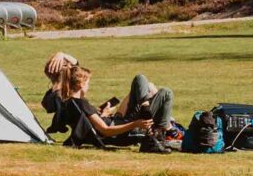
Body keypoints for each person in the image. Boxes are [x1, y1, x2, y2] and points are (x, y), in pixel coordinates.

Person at [43, 53, 173, 149]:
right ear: (81, 85)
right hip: (126, 130)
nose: (89, 86)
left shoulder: (74, 102)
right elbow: (105, 130)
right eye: (88, 83)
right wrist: (136, 124)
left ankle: (149, 115)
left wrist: (103, 114)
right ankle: (158, 134)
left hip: (120, 122)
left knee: (141, 79)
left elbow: (95, 125)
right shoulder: (80, 103)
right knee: (166, 93)